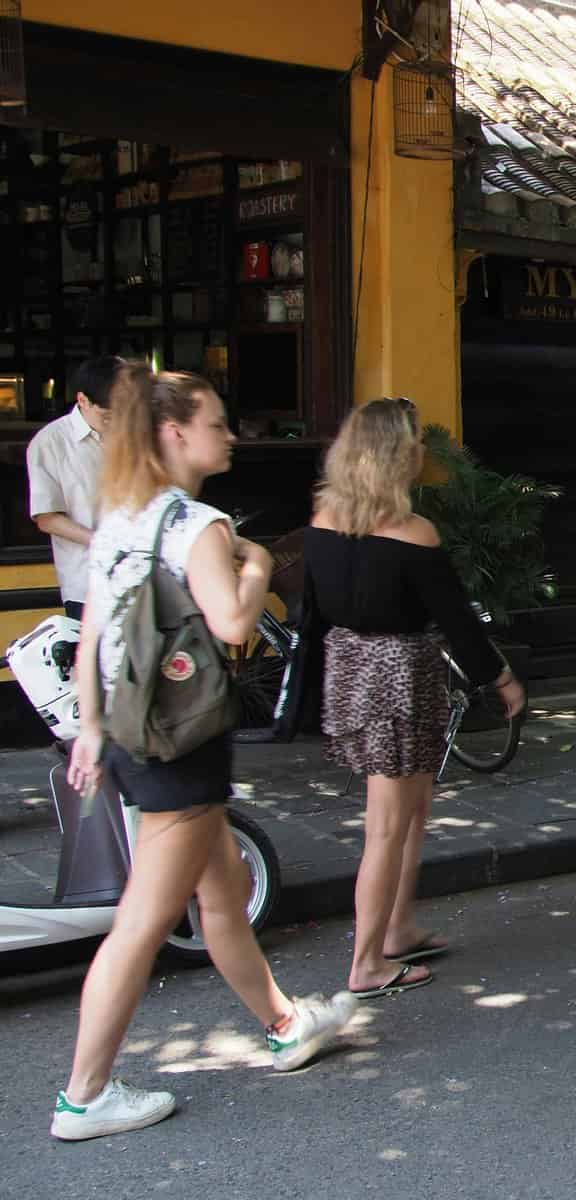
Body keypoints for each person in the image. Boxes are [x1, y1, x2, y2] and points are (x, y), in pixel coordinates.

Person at [55, 367, 356, 1141]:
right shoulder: (199, 524)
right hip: (182, 743)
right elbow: (231, 625)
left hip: (132, 731)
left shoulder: (121, 515)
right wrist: (257, 566)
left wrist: (90, 728)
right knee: (144, 921)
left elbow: (94, 633)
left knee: (221, 894)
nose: (230, 434)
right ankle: (83, 1096)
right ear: (174, 432)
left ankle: (287, 1023)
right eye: (217, 423)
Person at [305, 398, 526, 1000]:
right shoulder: (411, 533)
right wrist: (501, 679)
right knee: (385, 824)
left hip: (349, 668)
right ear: (398, 455)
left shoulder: (324, 518)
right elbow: (457, 623)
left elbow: (313, 612)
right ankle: (367, 963)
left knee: (416, 803)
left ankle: (397, 928)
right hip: (399, 674)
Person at [28, 355, 127, 619]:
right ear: (82, 400)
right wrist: (103, 543)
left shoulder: (132, 433)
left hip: (141, 580)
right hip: (87, 584)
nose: (116, 421)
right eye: (107, 416)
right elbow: (47, 518)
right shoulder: (51, 442)